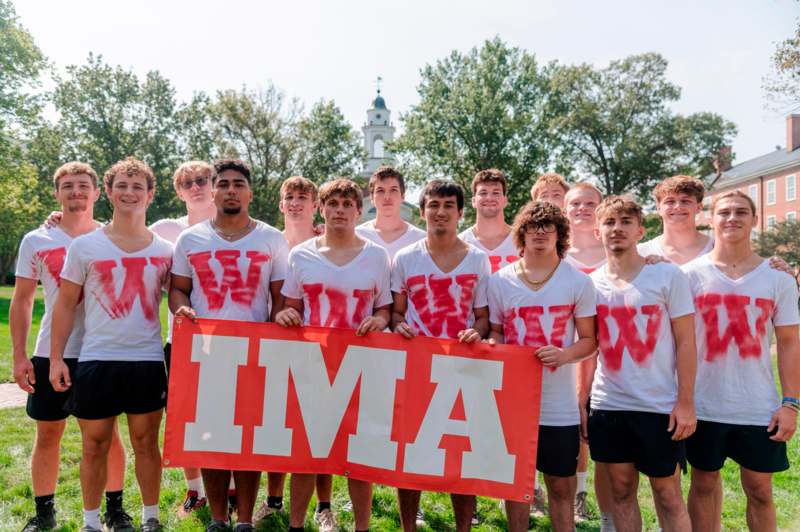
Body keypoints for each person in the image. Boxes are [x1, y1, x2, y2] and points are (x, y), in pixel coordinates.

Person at [49, 157, 173, 532]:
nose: (129, 193)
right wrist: (56, 358)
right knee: (94, 445)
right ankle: (90, 522)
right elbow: (65, 304)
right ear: (109, 192)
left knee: (146, 444)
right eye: (122, 186)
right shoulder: (86, 247)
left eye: (138, 187)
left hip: (147, 360)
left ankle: (152, 518)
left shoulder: (167, 250)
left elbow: (185, 300)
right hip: (97, 358)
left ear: (150, 195)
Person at [169, 159, 288, 532]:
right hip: (205, 351)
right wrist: (181, 308)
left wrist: (276, 328)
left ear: (250, 193)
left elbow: (280, 297)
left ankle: (247, 519)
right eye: (224, 184)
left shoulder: (271, 237)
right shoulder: (190, 238)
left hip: (255, 350)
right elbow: (178, 288)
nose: (231, 190)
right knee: (211, 435)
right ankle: (219, 518)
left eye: (239, 184)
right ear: (214, 192)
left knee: (249, 437)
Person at [9, 162, 129, 532]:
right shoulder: (37, 239)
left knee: (107, 436)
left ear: (97, 193)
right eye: (68, 186)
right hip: (50, 351)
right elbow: (23, 300)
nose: (76, 192)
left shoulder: (115, 237)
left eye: (83, 186)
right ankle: (44, 513)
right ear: (57, 194)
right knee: (48, 434)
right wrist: (19, 356)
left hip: (100, 352)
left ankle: (115, 510)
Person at [275, 178, 392, 532]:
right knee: (308, 454)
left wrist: (379, 319)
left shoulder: (376, 255)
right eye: (333, 204)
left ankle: (362, 527)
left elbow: (385, 308)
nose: (339, 210)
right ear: (321, 209)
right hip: (313, 365)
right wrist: (284, 315)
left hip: (361, 365)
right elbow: (289, 306)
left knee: (360, 455)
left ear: (359, 211)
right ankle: (297, 524)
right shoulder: (302, 255)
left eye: (347, 204)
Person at [683, 190, 799, 532]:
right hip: (703, 404)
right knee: (703, 485)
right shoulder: (688, 275)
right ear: (711, 219)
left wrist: (790, 404)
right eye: (724, 212)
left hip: (756, 405)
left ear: (754, 220)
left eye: (740, 212)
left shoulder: (777, 278)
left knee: (760, 490)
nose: (731, 218)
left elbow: (791, 343)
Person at [587, 196, 696, 532]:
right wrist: (583, 398)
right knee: (620, 491)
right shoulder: (590, 283)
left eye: (625, 222)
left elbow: (687, 341)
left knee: (667, 494)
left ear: (640, 231)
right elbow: (589, 346)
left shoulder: (666, 275)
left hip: (659, 404)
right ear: (597, 232)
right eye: (609, 223)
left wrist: (686, 402)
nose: (616, 229)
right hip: (610, 402)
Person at [487, 201, 598, 532]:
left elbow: (590, 340)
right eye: (532, 227)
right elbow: (495, 332)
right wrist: (495, 347)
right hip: (513, 402)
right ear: (521, 234)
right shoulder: (500, 281)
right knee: (516, 486)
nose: (539, 233)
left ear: (560, 234)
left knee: (560, 487)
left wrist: (564, 355)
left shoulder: (577, 282)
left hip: (557, 405)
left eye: (548, 227)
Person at [391, 180, 490, 532]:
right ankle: (408, 526)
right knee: (411, 451)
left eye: (449, 205)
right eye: (433, 205)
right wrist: (400, 325)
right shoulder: (405, 258)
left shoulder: (478, 259)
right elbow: (397, 313)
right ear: (422, 212)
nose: (441, 211)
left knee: (460, 453)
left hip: (462, 367)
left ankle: (463, 526)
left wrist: (476, 331)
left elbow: (483, 316)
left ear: (461, 213)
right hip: (417, 366)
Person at [252, 176, 335, 529]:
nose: (297, 202)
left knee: (321, 429)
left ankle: (324, 505)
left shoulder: (327, 242)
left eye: (304, 197)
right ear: (281, 204)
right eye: (290, 197)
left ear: (316, 205)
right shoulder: (268, 242)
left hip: (321, 348)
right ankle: (272, 500)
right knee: (277, 426)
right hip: (274, 344)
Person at [151, 160, 216, 516]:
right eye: (188, 182)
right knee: (185, 418)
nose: (196, 187)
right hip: (182, 339)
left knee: (227, 416)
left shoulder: (232, 224)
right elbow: (121, 232)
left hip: (229, 339)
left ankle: (233, 489)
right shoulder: (166, 229)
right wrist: (59, 218)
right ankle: (195, 490)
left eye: (203, 180)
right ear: (179, 191)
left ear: (214, 183)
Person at [561, 182, 613, 528]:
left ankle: (606, 509)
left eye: (589, 203)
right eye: (575, 203)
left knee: (603, 440)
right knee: (570, 427)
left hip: (612, 357)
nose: (581, 208)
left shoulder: (616, 250)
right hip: (568, 353)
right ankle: (571, 494)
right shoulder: (555, 254)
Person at [356, 166, 425, 260]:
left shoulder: (421, 239)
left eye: (393, 190)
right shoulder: (357, 236)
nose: (387, 197)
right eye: (380, 190)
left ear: (403, 196)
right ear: (371, 197)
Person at [459, 169, 518, 273]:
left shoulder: (522, 241)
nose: (489, 198)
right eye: (483, 192)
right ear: (473, 201)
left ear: (505, 201)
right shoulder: (460, 244)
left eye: (496, 193)